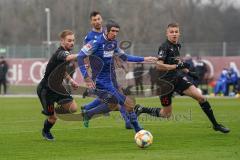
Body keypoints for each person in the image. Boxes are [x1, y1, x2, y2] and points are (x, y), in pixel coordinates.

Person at [134, 23, 230, 133]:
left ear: (179, 33)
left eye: (176, 32)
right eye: (171, 32)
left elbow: (177, 61)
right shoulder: (164, 47)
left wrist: (189, 72)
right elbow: (159, 65)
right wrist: (176, 66)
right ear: (167, 33)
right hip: (165, 84)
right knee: (166, 114)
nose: (174, 34)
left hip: (177, 79)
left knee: (201, 98)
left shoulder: (177, 46)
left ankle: (216, 125)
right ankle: (142, 109)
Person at [77, 20, 157, 133]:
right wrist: (86, 77)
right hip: (99, 81)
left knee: (114, 104)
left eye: (117, 31)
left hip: (109, 80)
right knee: (127, 103)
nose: (115, 33)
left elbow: (124, 57)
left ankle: (88, 113)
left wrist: (144, 59)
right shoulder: (96, 43)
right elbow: (80, 57)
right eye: (113, 31)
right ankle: (138, 129)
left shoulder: (113, 43)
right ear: (106, 30)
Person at [81, 11, 133, 129]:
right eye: (94, 20)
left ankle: (87, 109)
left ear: (101, 20)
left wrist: (119, 61)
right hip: (100, 73)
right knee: (116, 97)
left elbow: (111, 50)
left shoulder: (108, 33)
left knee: (113, 97)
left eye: (98, 19)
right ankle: (128, 121)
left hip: (110, 70)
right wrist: (87, 70)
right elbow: (85, 54)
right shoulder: (89, 37)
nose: (97, 21)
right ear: (91, 22)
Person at [37, 30, 79, 141]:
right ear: (62, 41)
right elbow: (69, 58)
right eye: (69, 40)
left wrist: (71, 80)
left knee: (73, 108)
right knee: (52, 118)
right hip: (46, 91)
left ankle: (52, 112)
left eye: (73, 40)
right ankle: (46, 131)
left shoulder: (65, 54)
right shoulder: (60, 53)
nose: (72, 43)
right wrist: (85, 53)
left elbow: (63, 71)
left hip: (58, 88)